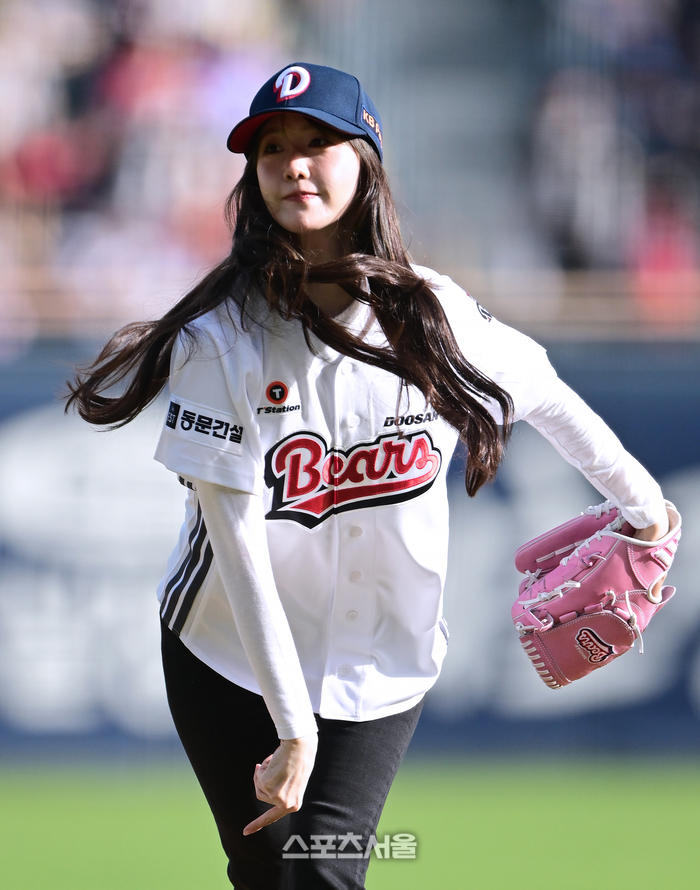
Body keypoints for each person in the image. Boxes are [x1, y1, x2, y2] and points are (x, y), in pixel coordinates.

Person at [67, 63, 670, 890]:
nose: (294, 164)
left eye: (318, 142)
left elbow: (548, 398)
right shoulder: (222, 340)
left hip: (382, 656)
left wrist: (650, 514)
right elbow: (235, 547)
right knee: (271, 875)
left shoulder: (435, 316)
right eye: (272, 149)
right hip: (230, 656)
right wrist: (293, 728)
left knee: (326, 877)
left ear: (366, 162)